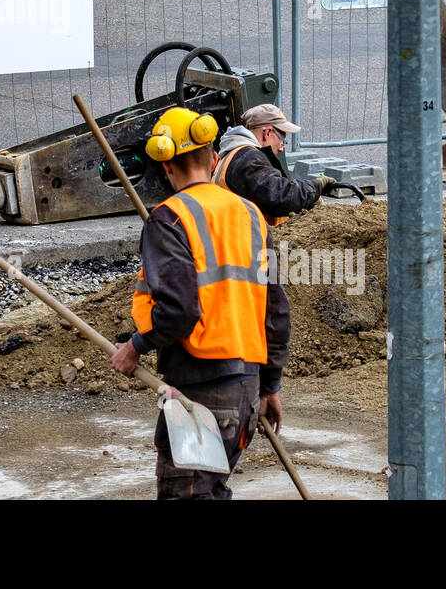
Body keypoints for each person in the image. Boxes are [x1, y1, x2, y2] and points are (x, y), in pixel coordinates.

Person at [111, 106, 290, 500]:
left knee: (188, 494)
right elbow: (276, 309)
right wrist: (270, 384)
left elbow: (179, 308)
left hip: (201, 391)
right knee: (212, 491)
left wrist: (135, 347)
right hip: (245, 389)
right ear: (212, 159)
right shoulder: (252, 215)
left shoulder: (169, 219)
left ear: (166, 169)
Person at [213, 103, 334, 225]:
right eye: (282, 141)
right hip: (247, 239)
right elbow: (280, 196)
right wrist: (315, 187)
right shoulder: (248, 158)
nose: (281, 149)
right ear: (267, 132)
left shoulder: (236, 154)